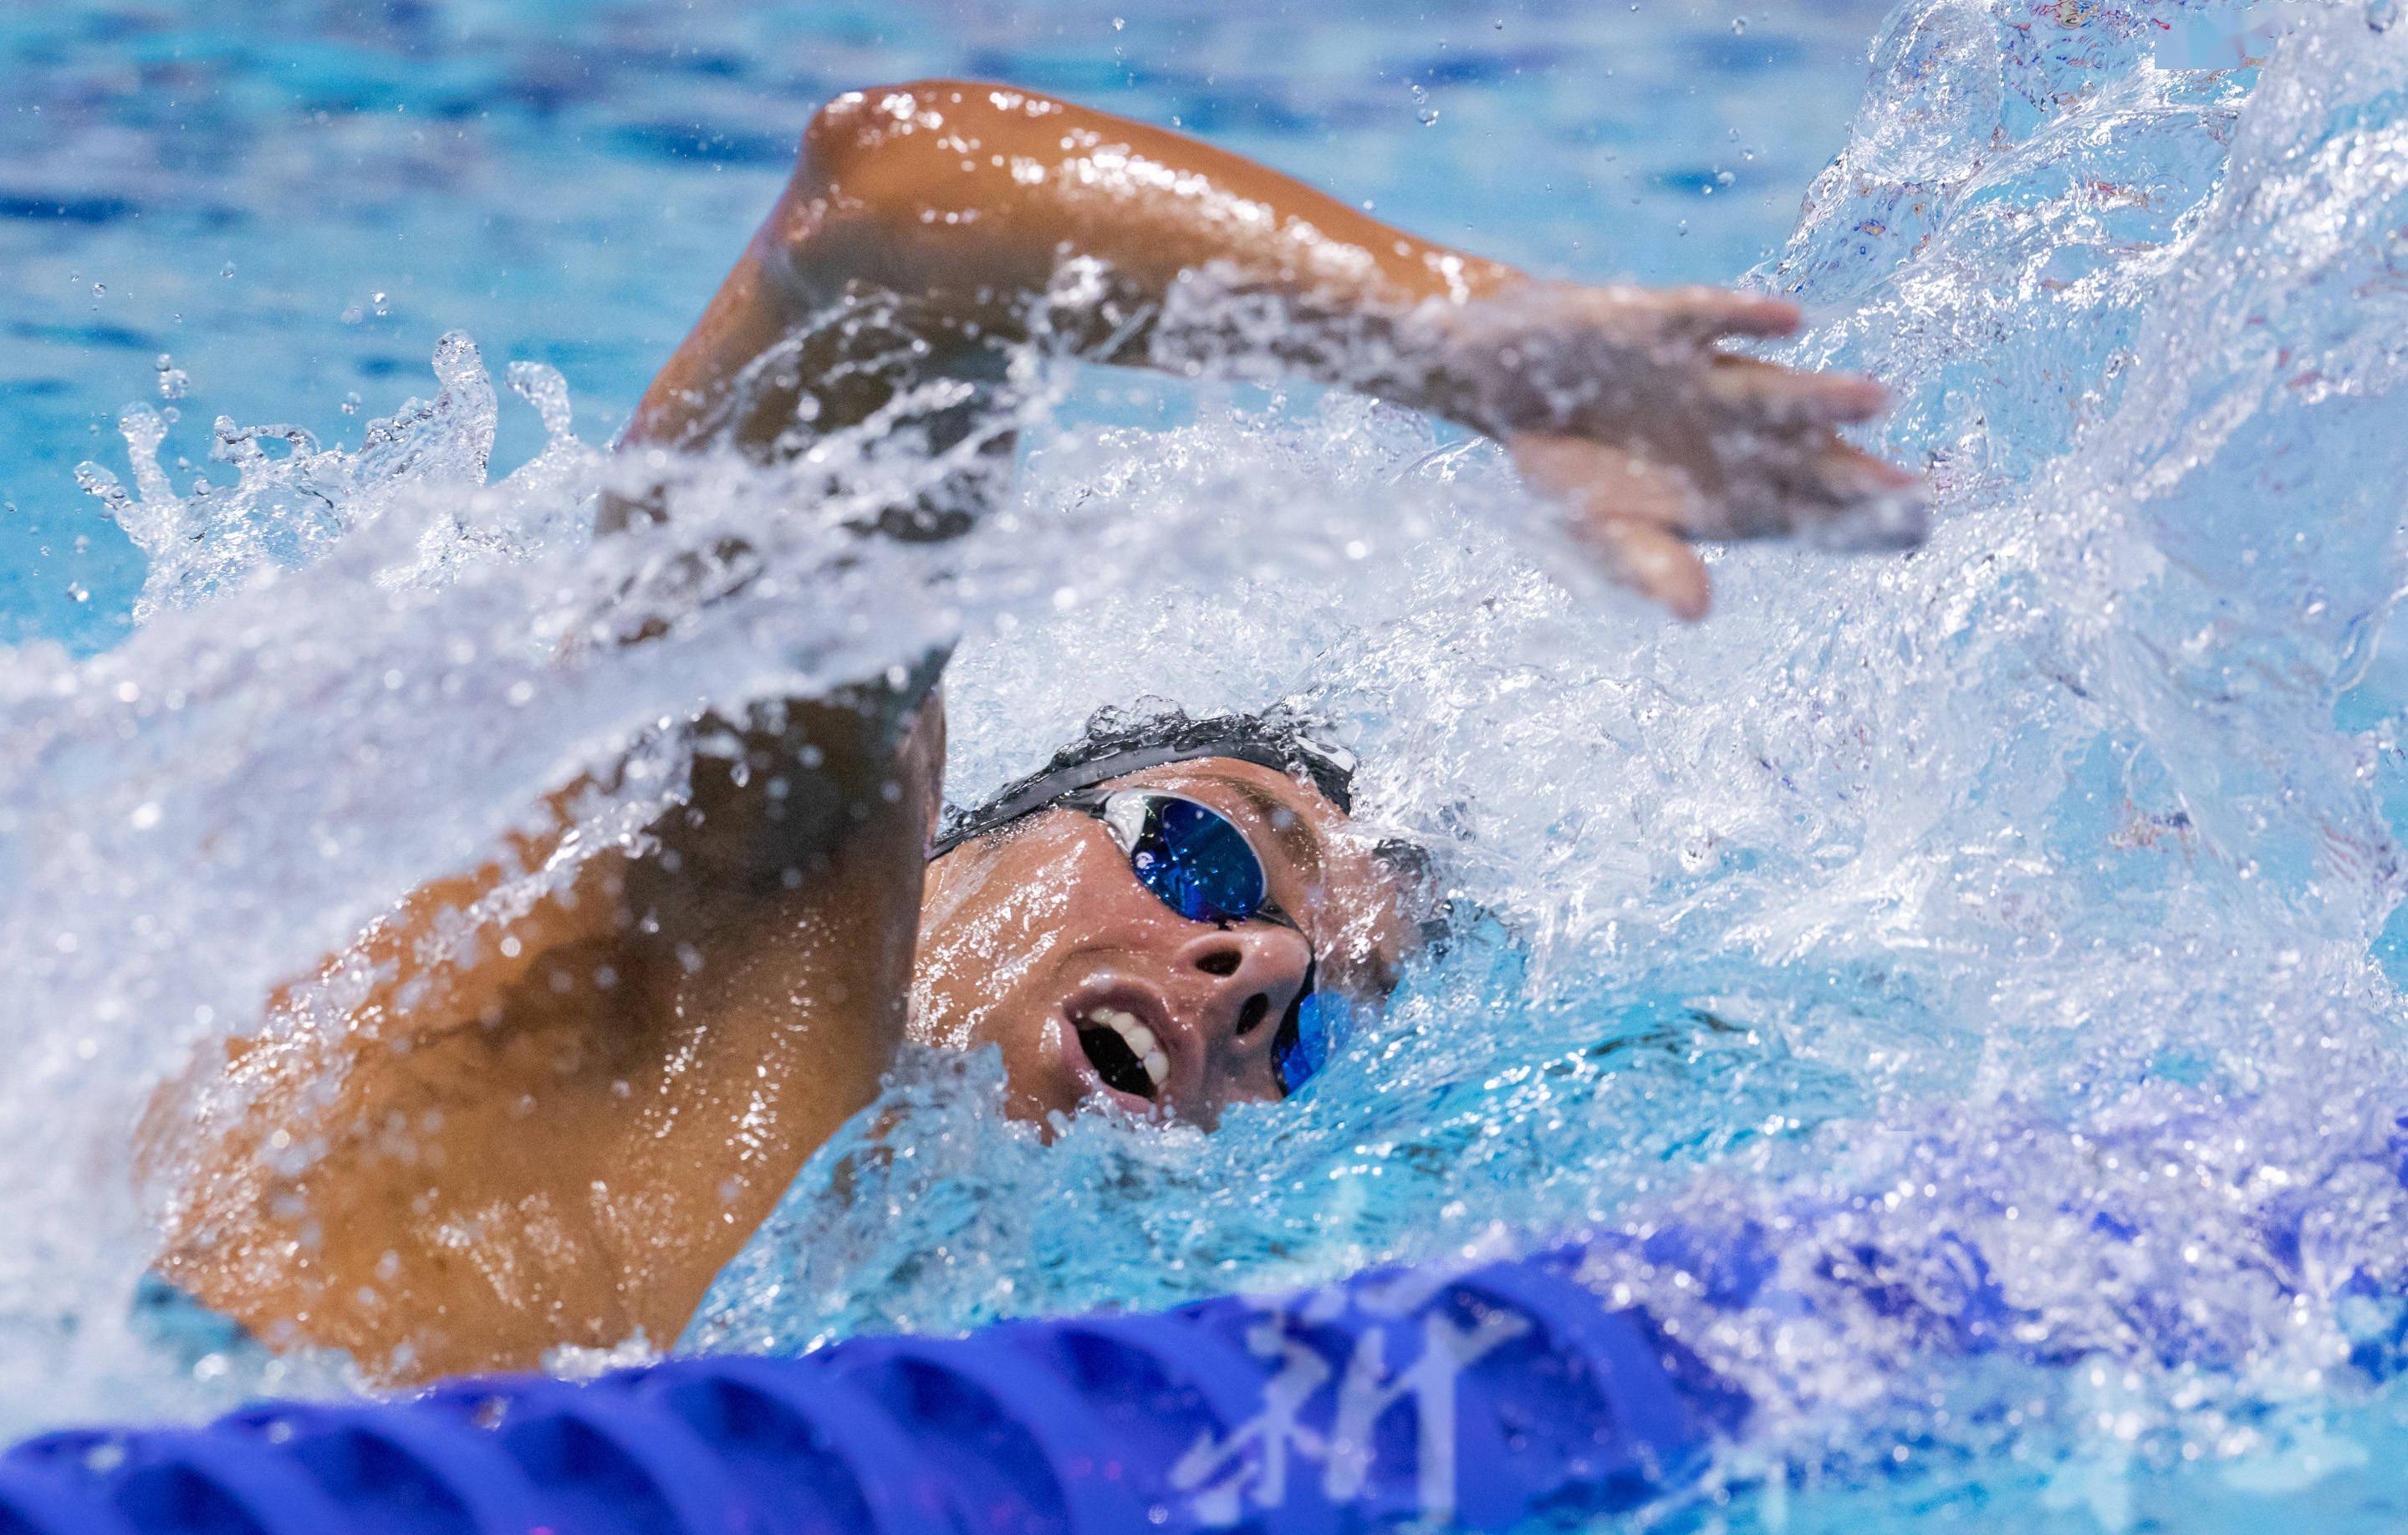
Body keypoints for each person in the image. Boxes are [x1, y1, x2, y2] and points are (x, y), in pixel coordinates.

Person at [139, 79, 1922, 1382]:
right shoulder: (736, 896)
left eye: (1307, 1020)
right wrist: (1478, 350)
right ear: (965, 837)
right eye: (1209, 849)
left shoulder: (848, 1260)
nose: (1244, 964)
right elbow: (897, 203)